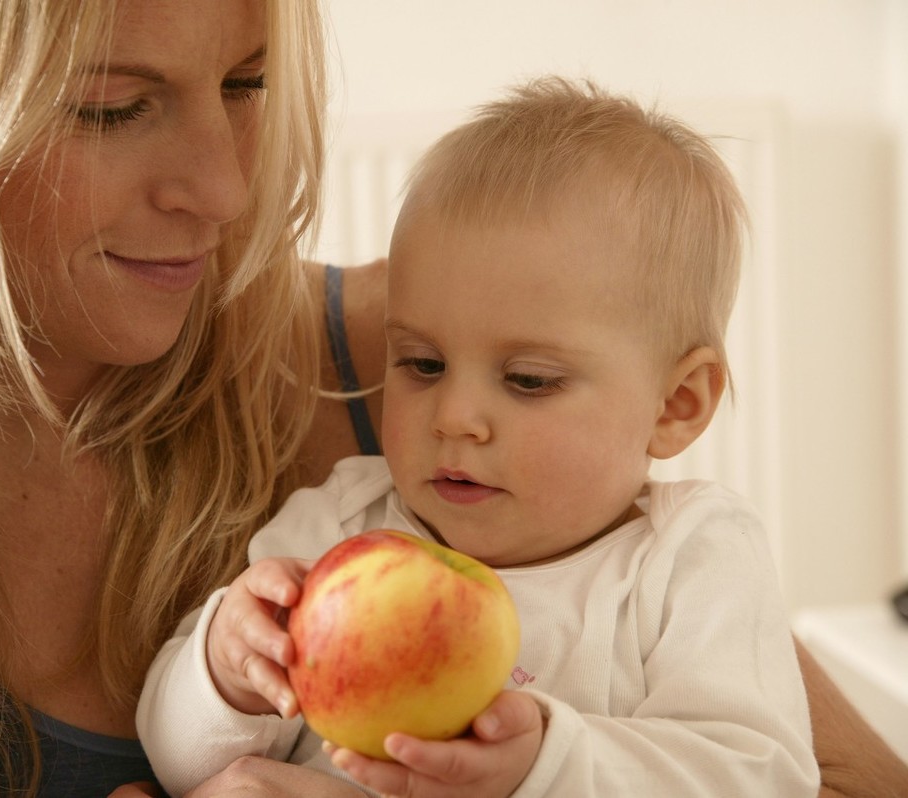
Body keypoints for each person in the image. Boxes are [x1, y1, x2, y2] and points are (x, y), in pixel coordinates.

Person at [0, 1, 904, 796]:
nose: (230, 192)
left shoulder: (463, 390)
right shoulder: (354, 509)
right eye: (114, 106)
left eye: (246, 82)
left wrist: (547, 762)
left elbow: (784, 774)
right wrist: (228, 671)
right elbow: (195, 740)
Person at [137, 77, 824, 797]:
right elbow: (182, 763)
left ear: (676, 405)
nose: (454, 417)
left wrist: (547, 765)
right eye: (422, 364)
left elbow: (762, 777)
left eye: (528, 380)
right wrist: (224, 669)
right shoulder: (336, 526)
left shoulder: (689, 558)